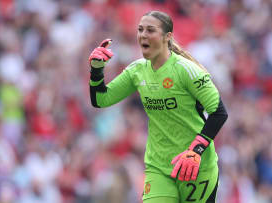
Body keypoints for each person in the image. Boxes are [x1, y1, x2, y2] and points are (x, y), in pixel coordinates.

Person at [88, 10, 228, 203]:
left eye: (150, 30)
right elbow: (101, 100)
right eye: (140, 30)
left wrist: (195, 151)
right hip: (159, 167)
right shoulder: (136, 71)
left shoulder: (187, 70)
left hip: (196, 166)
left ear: (167, 37)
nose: (143, 35)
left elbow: (219, 112)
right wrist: (96, 71)